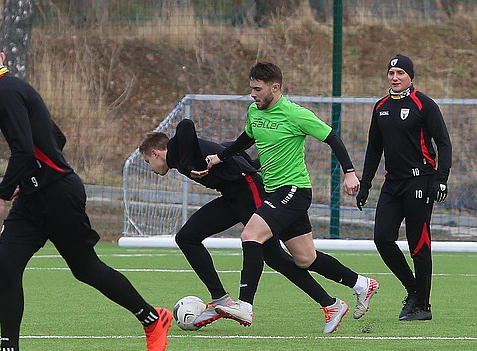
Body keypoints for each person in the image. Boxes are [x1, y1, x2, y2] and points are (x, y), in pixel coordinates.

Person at [0, 33, 171, 351]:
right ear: (1, 56)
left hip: (58, 194)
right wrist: (28, 182)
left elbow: (23, 151)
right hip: (34, 197)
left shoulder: (5, 92)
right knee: (6, 266)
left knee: (85, 268)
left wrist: (1, 195)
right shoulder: (14, 88)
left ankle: (153, 319)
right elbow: (56, 138)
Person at [140, 118, 374, 333]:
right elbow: (225, 146)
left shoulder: (178, 150)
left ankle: (330, 304)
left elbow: (186, 124)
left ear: (155, 152)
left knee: (277, 257)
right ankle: (221, 299)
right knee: (187, 237)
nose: (151, 168)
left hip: (250, 189)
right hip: (232, 197)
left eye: (148, 161)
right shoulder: (180, 157)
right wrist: (250, 162)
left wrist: (196, 163)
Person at [204, 61, 379, 331]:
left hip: (293, 190)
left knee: (251, 235)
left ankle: (245, 305)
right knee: (305, 258)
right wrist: (220, 157)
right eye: (251, 88)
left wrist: (350, 173)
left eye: (257, 89)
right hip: (276, 192)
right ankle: (361, 285)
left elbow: (332, 137)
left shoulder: (295, 114)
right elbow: (246, 139)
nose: (252, 94)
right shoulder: (254, 111)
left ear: (275, 87)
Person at [356, 54, 452, 321]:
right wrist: (365, 184)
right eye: (391, 73)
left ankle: (423, 306)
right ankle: (413, 290)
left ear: (410, 76)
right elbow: (374, 148)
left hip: (420, 181)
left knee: (418, 244)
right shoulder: (381, 107)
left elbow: (443, 143)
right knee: (382, 238)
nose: (395, 77)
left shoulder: (424, 104)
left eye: (400, 73)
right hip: (392, 183)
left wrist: (441, 178)